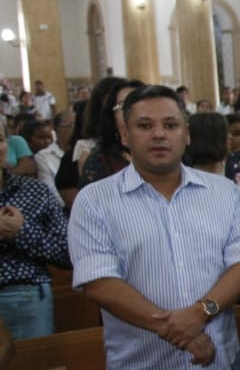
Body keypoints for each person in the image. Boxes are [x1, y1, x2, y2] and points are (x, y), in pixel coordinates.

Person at [67, 84, 240, 370]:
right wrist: (178, 331)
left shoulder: (224, 193)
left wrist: (200, 314)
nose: (159, 134)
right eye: (145, 126)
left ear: (187, 134)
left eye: (170, 125)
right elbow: (99, 282)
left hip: (220, 363)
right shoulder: (95, 201)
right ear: (125, 135)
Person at [0, 127, 72, 339]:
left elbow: (67, 253)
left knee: (30, 360)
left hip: (23, 294)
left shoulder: (34, 191)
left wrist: (21, 232)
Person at [81, 79, 146, 185]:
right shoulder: (101, 161)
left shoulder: (168, 151)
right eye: (123, 105)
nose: (132, 111)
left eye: (138, 103)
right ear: (112, 117)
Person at [36, 110, 74, 196]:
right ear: (56, 129)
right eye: (70, 126)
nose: (74, 130)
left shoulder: (85, 153)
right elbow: (50, 191)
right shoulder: (43, 156)